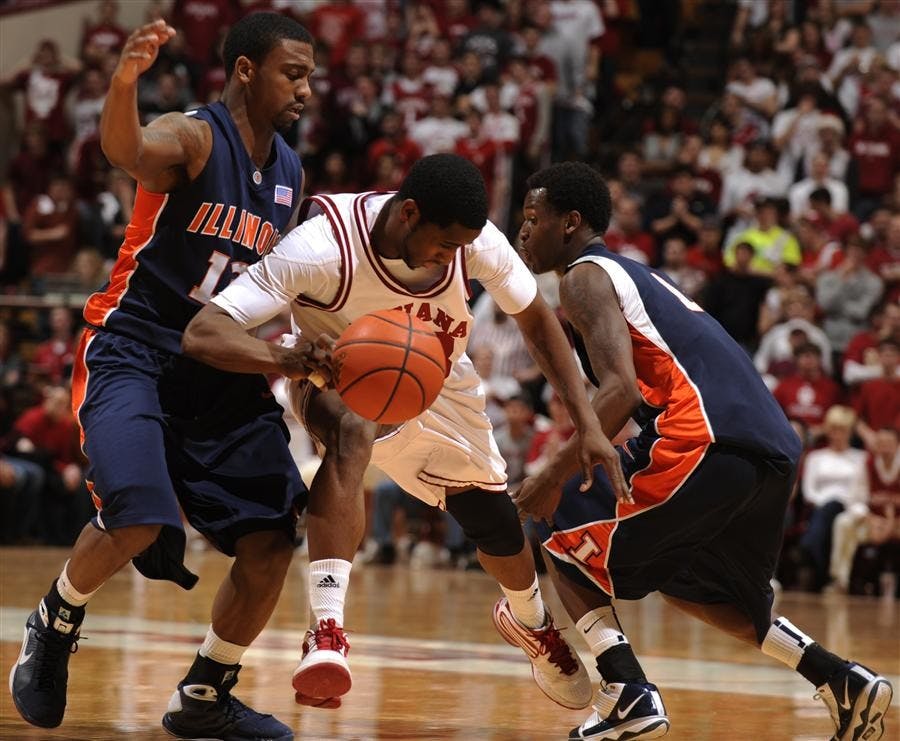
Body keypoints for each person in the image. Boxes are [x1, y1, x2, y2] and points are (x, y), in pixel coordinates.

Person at [182, 153, 629, 709]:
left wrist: (587, 422)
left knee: (493, 524)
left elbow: (537, 322)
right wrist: (287, 357)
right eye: (444, 246)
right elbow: (204, 333)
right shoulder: (320, 248)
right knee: (351, 426)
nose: (453, 258)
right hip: (335, 373)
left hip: (442, 379)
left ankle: (532, 623)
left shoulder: (475, 241)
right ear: (409, 213)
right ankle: (326, 629)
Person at [10, 14, 315, 741]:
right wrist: (124, 81)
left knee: (273, 533)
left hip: (215, 360)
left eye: (309, 74)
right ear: (246, 70)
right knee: (141, 511)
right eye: (292, 72)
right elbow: (128, 149)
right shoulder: (194, 136)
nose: (306, 87)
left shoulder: (290, 173)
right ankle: (54, 620)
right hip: (133, 346)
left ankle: (206, 692)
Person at [512, 162, 893, 741]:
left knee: (560, 531)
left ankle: (625, 691)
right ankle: (839, 678)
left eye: (532, 219)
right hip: (766, 447)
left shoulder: (584, 277)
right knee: (705, 587)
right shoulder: (633, 276)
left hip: (701, 434)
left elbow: (619, 392)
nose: (523, 232)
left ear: (571, 223)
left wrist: (549, 475)